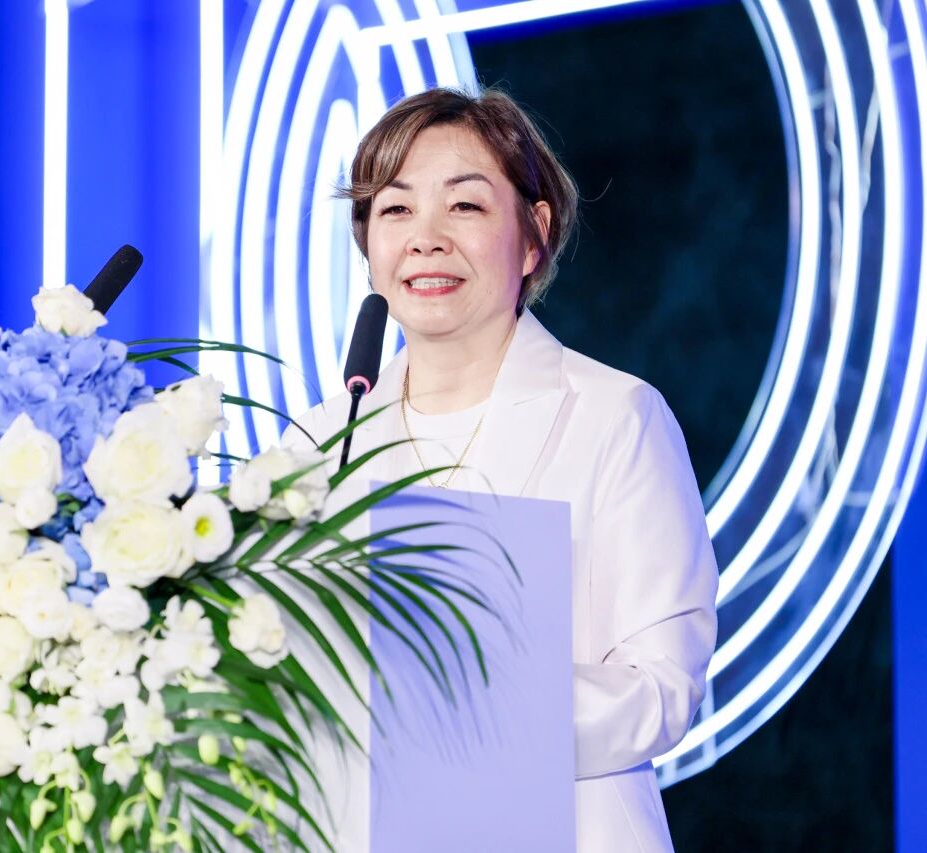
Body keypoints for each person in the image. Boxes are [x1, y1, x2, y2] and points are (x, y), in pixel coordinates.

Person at [285, 87, 719, 852]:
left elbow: (662, 687)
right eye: (395, 209)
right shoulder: (318, 444)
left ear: (533, 235)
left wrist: (444, 710)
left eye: (464, 206)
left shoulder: (615, 417)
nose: (425, 239)